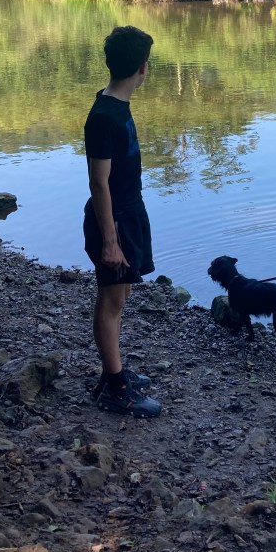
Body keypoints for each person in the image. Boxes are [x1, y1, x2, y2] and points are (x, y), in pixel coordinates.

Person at [83, 25, 161, 417]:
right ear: (143, 68)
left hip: (130, 213)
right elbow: (98, 184)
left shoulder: (115, 104)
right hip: (112, 220)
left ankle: (113, 371)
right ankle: (115, 388)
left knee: (122, 294)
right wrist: (110, 241)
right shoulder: (103, 117)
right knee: (111, 300)